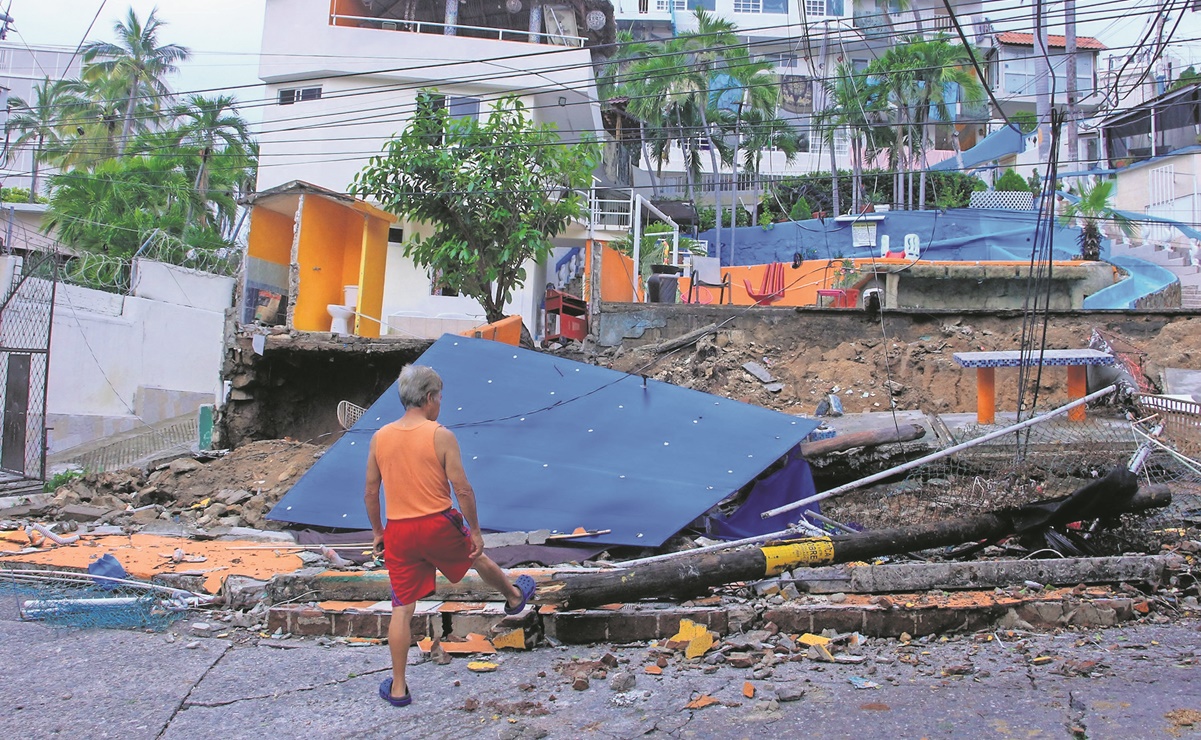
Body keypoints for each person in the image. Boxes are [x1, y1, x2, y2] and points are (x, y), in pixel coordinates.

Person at [365, 364, 535, 708]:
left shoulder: (380, 437)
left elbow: (370, 491)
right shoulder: (439, 434)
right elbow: (463, 489)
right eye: (439, 397)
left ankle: (398, 688)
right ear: (429, 399)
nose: (440, 403)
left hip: (399, 529)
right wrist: (475, 530)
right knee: (477, 554)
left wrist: (378, 531)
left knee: (402, 607)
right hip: (437, 522)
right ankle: (514, 597)